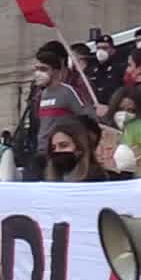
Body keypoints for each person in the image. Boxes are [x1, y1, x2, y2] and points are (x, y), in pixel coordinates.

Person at [32, 41, 93, 179]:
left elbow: (88, 117)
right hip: (41, 153)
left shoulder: (68, 92)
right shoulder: (41, 95)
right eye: (36, 69)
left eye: (43, 69)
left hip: (59, 155)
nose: (37, 74)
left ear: (55, 71)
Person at [45, 118, 112, 183]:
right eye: (53, 148)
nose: (57, 151)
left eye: (64, 145)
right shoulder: (54, 179)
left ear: (80, 147)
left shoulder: (95, 178)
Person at [86, 32, 121, 107]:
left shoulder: (119, 68)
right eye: (98, 48)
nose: (101, 51)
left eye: (105, 48)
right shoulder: (91, 70)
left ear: (112, 51)